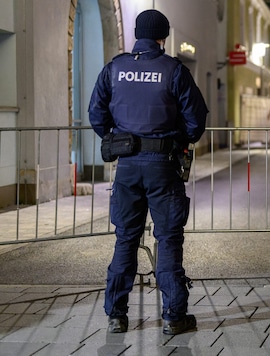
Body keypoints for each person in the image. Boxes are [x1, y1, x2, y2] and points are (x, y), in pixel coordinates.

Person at [88, 9, 208, 334]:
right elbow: (196, 120)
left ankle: (116, 315)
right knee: (168, 239)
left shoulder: (115, 68)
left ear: (137, 35)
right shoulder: (173, 70)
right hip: (163, 167)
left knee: (125, 239)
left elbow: (96, 113)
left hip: (127, 167)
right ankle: (173, 317)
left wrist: (117, 138)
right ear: (163, 37)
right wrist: (178, 138)